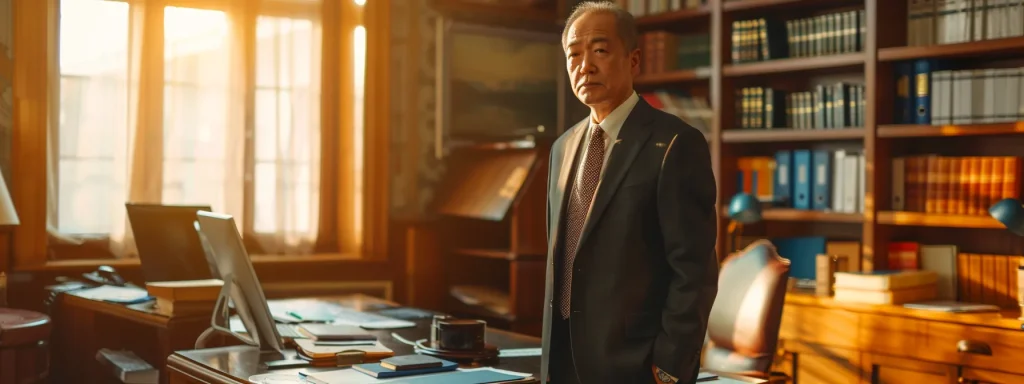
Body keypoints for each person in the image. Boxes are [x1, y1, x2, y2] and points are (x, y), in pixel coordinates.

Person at [540, 1, 719, 383]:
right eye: (574, 54)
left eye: (600, 50)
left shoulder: (675, 142)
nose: (584, 65)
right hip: (563, 361)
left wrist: (671, 366)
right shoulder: (562, 148)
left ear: (634, 60)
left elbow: (694, 270)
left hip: (636, 365)